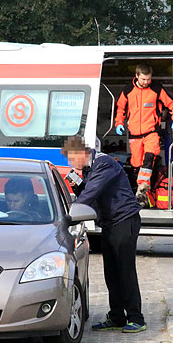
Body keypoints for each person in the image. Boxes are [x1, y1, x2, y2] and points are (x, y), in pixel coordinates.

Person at [62, 136, 146, 333]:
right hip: (110, 223)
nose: (72, 164)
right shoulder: (91, 168)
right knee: (111, 272)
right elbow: (92, 191)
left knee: (125, 271)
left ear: (82, 153)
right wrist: (77, 184)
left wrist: (68, 217)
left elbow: (91, 193)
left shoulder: (103, 164)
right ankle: (117, 316)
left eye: (73, 160)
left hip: (124, 221)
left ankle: (136, 318)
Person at [114, 63, 173, 205]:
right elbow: (120, 108)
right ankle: (142, 195)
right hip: (135, 134)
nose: (146, 82)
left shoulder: (156, 89)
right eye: (144, 79)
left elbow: (171, 104)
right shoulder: (128, 90)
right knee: (137, 164)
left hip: (151, 132)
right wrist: (119, 123)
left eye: (149, 79)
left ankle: (143, 187)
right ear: (137, 76)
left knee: (149, 156)